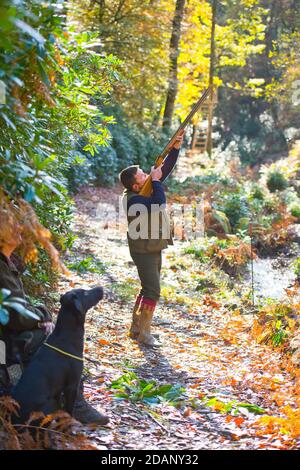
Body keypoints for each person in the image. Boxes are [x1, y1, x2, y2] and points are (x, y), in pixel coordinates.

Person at [0, 222, 109, 425]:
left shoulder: (6, 262)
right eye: (12, 227)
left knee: (53, 333)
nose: (18, 229)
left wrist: (40, 315)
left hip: (9, 331)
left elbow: (20, 306)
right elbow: (16, 315)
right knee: (60, 340)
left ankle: (64, 397)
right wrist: (42, 318)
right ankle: (74, 402)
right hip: (4, 341)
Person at [119, 132, 184, 347]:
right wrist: (155, 180)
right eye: (142, 175)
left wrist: (174, 148)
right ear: (136, 186)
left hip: (152, 247)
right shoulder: (132, 200)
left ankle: (137, 328)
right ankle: (144, 334)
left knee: (147, 288)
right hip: (143, 251)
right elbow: (159, 202)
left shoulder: (142, 189)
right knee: (153, 291)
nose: (147, 174)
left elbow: (163, 170)